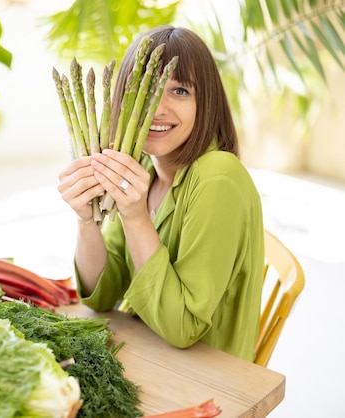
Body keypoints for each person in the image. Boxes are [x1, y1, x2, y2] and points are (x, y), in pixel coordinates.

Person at [57, 25, 264, 362]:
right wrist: (86, 222)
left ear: (205, 102)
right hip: (146, 354)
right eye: (145, 89)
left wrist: (137, 217)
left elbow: (182, 328)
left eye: (180, 91)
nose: (157, 108)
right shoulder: (146, 171)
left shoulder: (219, 178)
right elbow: (101, 295)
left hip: (206, 381)